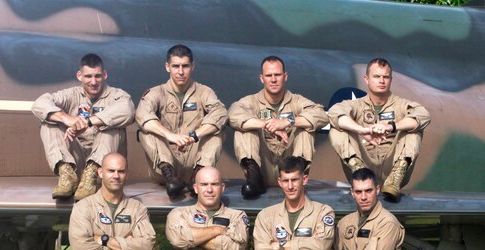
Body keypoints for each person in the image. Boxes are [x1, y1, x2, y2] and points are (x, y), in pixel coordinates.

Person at [32, 53, 135, 201]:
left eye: (97, 76)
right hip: (78, 158)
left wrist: (89, 121)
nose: (93, 82)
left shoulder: (117, 95)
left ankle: (92, 174)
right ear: (79, 75)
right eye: (88, 76)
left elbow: (128, 110)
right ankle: (67, 174)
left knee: (112, 125)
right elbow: (39, 104)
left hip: (105, 165)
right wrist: (66, 119)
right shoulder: (70, 95)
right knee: (48, 122)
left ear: (105, 75)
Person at [327, 58, 430, 201]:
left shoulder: (401, 104)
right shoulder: (355, 105)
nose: (381, 81)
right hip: (363, 168)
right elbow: (334, 113)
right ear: (366, 79)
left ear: (390, 79)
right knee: (337, 128)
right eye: (376, 76)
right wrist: (362, 130)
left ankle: (396, 175)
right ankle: (357, 167)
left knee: (414, 127)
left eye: (385, 77)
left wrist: (391, 126)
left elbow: (423, 115)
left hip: (391, 168)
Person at [228, 56, 328, 199]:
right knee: (244, 129)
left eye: (277, 75)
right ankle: (254, 179)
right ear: (262, 78)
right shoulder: (252, 101)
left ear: (285, 76)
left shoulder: (296, 100)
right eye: (269, 75)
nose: (273, 80)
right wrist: (266, 124)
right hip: (263, 168)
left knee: (306, 129)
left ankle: (296, 179)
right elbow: (233, 115)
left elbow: (322, 115)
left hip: (289, 166)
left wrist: (288, 121)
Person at [135, 44, 228, 198]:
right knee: (145, 131)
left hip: (193, 156)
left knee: (217, 131)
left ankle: (198, 176)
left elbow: (221, 112)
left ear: (192, 66)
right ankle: (170, 176)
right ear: (167, 67)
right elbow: (142, 115)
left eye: (185, 66)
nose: (180, 72)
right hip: (165, 162)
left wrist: (194, 135)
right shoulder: (156, 92)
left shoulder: (204, 92)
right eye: (175, 66)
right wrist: (170, 135)